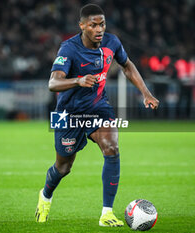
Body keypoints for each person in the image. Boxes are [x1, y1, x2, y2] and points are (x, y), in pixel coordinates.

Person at [35, 4, 159, 227]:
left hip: (97, 108)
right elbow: (53, 83)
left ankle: (106, 214)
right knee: (63, 167)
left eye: (102, 24)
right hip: (68, 115)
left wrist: (146, 93)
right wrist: (78, 80)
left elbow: (127, 65)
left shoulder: (112, 42)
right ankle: (45, 195)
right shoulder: (68, 49)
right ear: (82, 26)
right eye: (93, 25)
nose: (99, 29)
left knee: (111, 146)